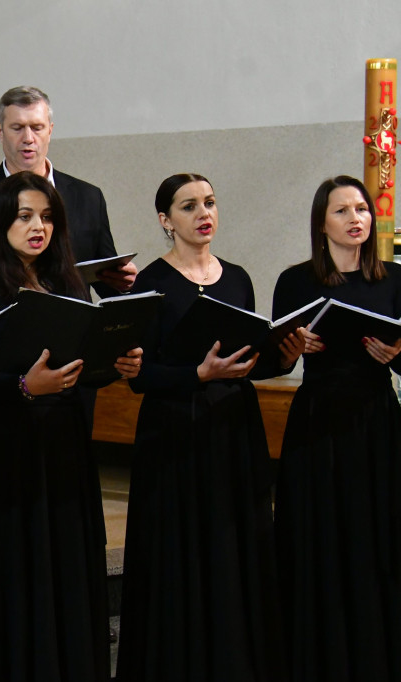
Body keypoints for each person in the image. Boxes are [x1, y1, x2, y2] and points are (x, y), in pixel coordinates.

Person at [0, 172, 142, 682]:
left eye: (47, 218)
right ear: (1, 221)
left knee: (63, 564)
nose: (38, 227)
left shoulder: (67, 280)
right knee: (8, 569)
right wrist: (24, 387)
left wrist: (115, 361)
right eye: (25, 216)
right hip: (3, 447)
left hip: (63, 445)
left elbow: (82, 360)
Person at [116, 173, 287, 682]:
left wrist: (283, 357)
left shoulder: (237, 277)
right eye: (188, 206)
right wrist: (196, 374)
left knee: (233, 549)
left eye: (209, 203)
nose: (203, 213)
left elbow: (247, 359)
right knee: (181, 552)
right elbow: (139, 376)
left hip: (234, 427)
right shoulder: (150, 282)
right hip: (175, 432)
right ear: (166, 220)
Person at [272, 175, 401, 682]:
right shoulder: (296, 281)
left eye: (362, 209)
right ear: (321, 223)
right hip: (319, 419)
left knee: (378, 533)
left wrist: (395, 355)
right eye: (342, 211)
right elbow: (276, 360)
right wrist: (292, 348)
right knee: (321, 534)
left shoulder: (394, 279)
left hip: (376, 418)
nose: (355, 219)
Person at [0, 85, 135, 293]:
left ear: (50, 131)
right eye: (17, 128)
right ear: (0, 132)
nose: (28, 138)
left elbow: (107, 281)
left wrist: (124, 283)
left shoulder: (88, 197)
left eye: (37, 128)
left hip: (74, 313)